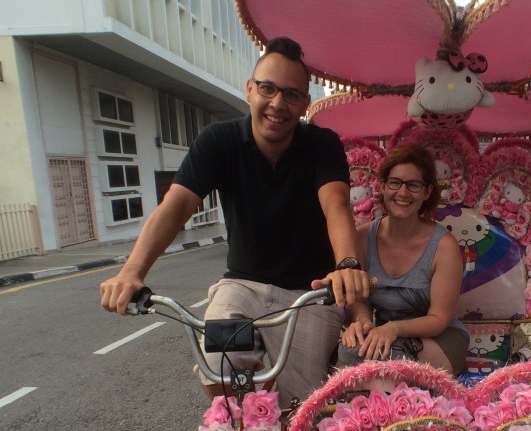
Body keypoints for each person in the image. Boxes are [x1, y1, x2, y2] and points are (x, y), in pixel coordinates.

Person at [99, 36, 369, 407]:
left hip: (309, 293)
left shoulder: (321, 144)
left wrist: (347, 265)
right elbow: (176, 206)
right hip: (242, 285)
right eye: (268, 89)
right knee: (219, 366)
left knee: (303, 405)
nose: (277, 104)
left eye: (291, 95)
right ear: (250, 89)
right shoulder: (218, 141)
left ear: (305, 103)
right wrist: (133, 271)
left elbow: (336, 203)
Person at [336, 144, 469, 375]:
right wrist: (362, 324)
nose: (403, 193)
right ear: (383, 186)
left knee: (386, 361)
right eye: (395, 182)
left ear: (427, 192)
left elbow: (438, 318)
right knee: (349, 350)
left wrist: (394, 329)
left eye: (413, 185)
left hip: (437, 339)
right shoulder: (362, 236)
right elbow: (360, 301)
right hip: (385, 336)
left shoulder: (444, 246)